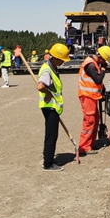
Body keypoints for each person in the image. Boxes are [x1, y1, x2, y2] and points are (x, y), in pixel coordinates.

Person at [38, 43, 71, 171]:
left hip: (53, 106)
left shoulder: (52, 67)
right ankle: (48, 164)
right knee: (51, 135)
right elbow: (40, 86)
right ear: (55, 58)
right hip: (50, 106)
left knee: (51, 134)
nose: (63, 62)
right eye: (62, 60)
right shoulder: (47, 70)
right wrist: (47, 93)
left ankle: (48, 157)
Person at [77, 45, 110, 156]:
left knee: (95, 119)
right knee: (89, 121)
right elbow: (98, 79)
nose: (105, 63)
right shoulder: (90, 65)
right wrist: (103, 69)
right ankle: (84, 147)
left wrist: (103, 91)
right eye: (104, 61)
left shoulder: (94, 63)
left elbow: (97, 83)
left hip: (92, 96)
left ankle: (90, 144)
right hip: (87, 96)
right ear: (100, 57)